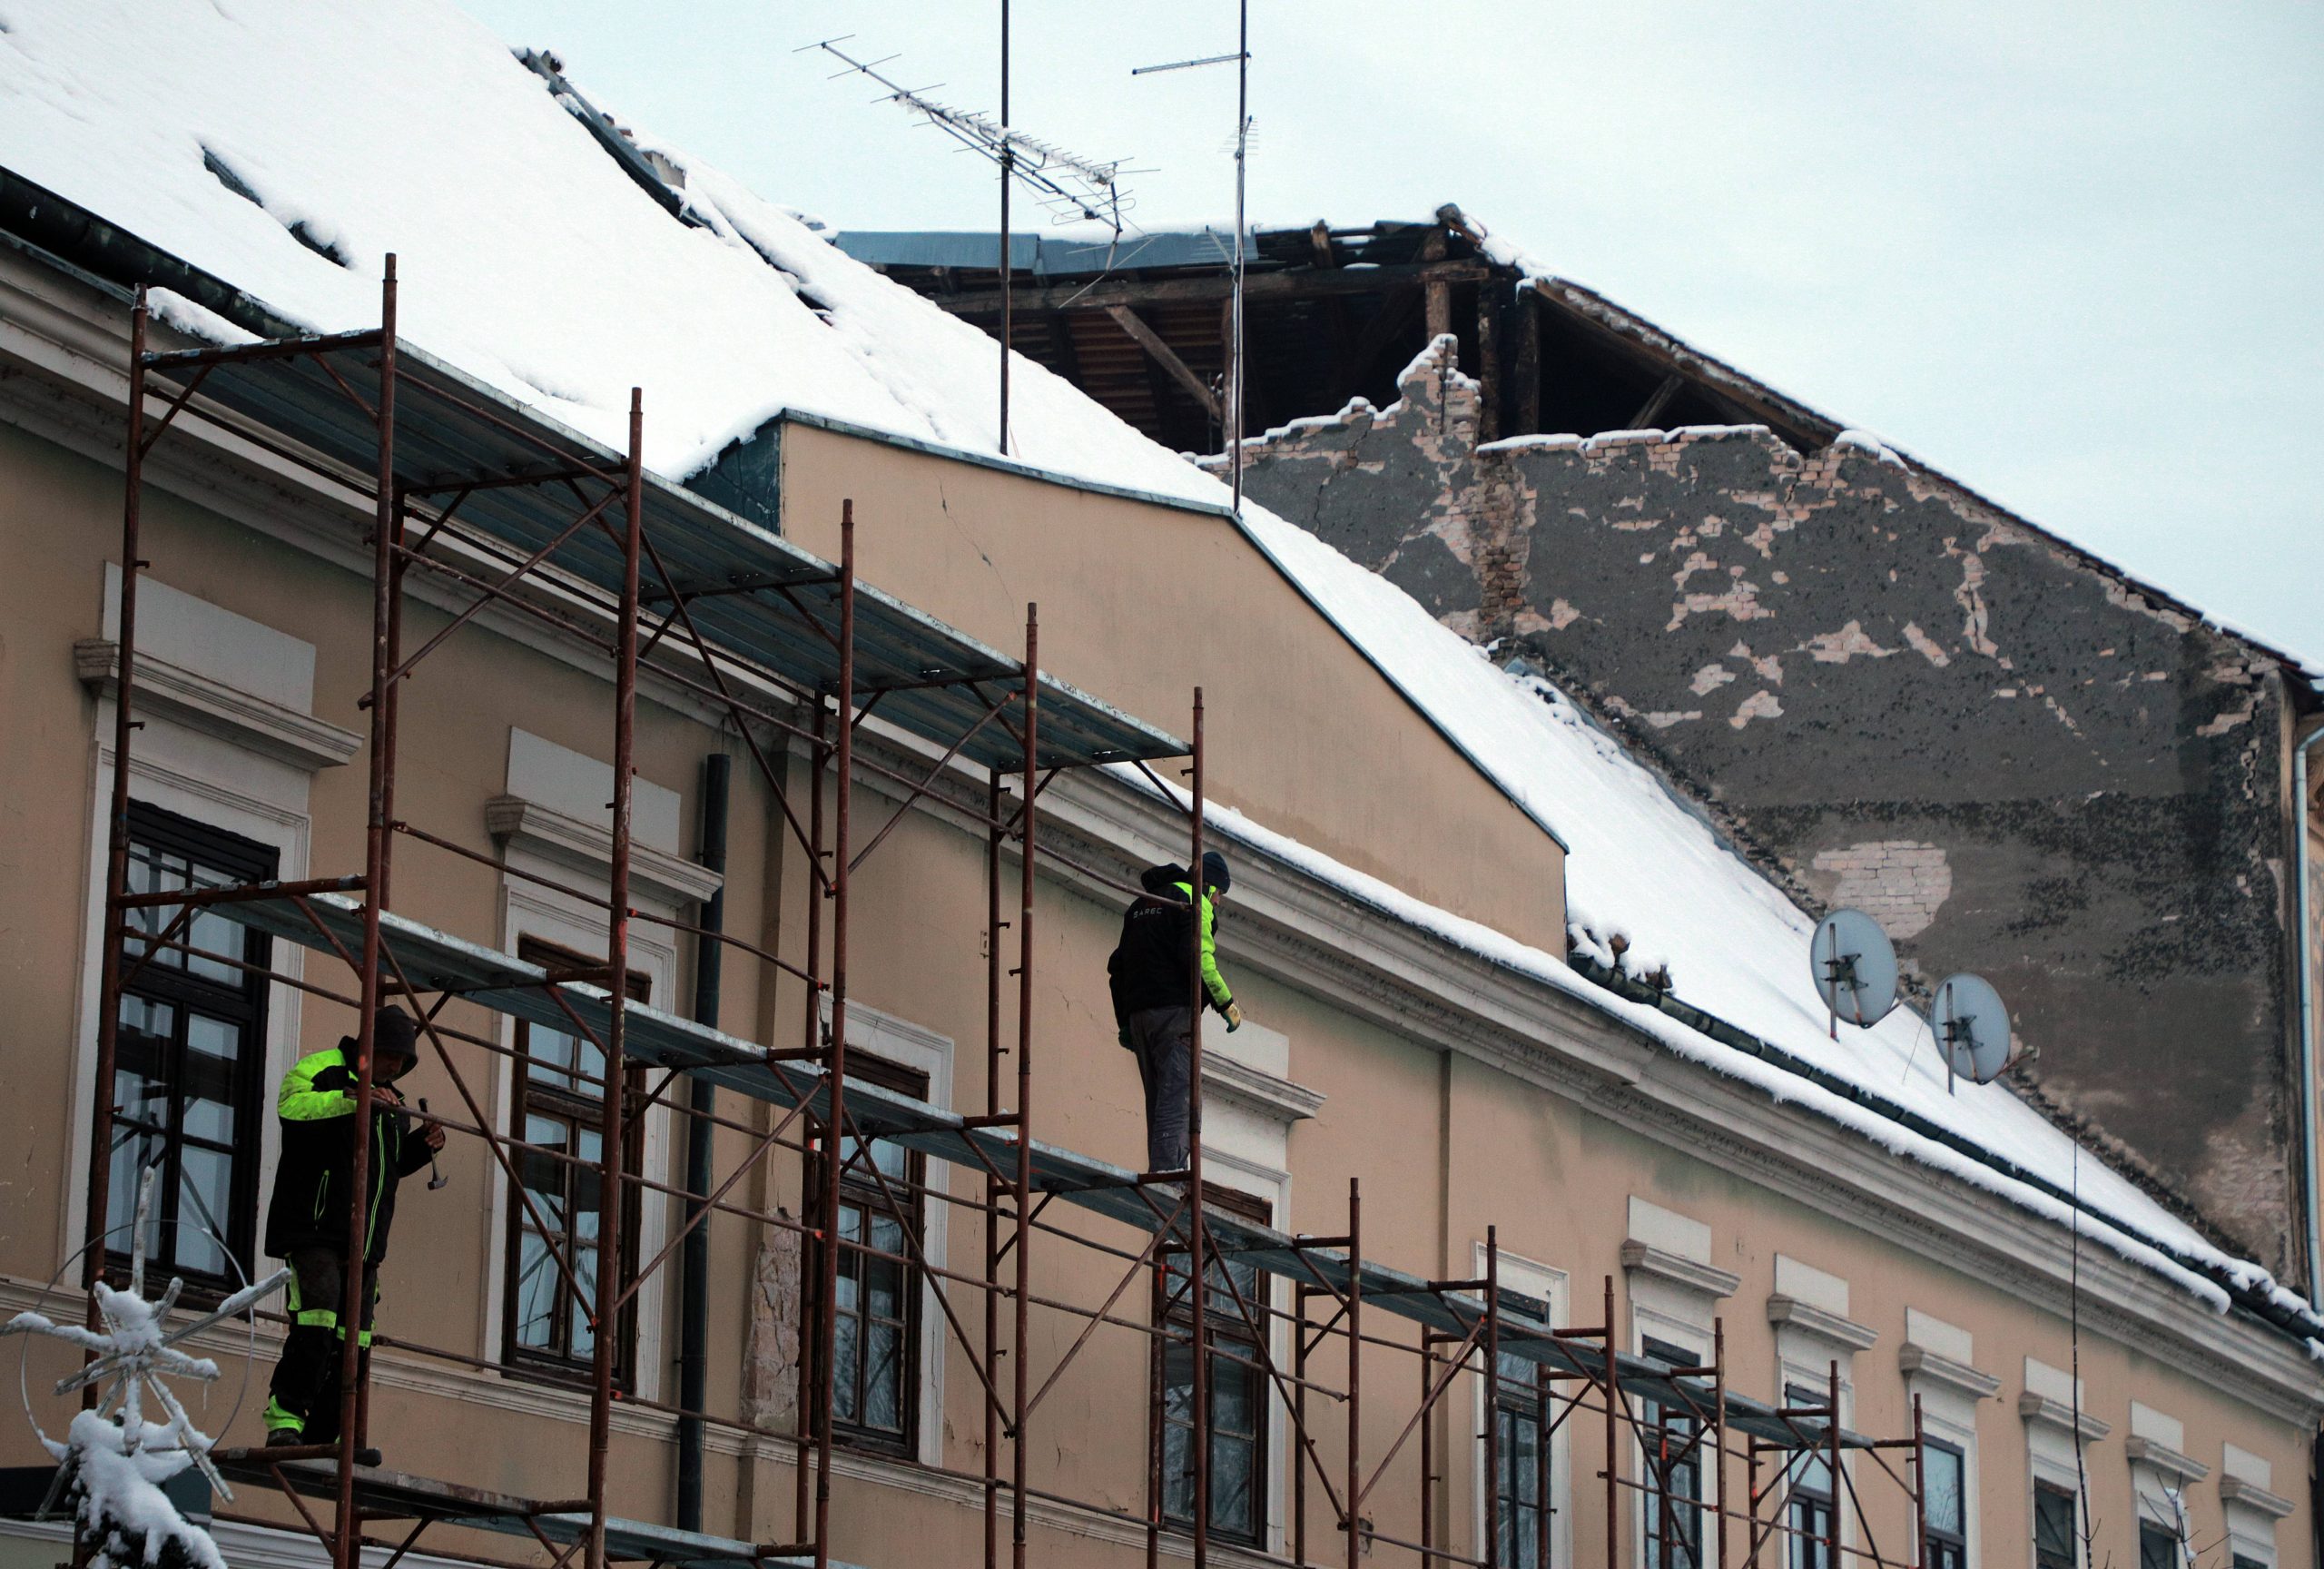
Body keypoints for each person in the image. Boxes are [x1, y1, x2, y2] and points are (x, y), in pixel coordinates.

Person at [261, 1004, 443, 1447]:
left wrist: (420, 1147)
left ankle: (327, 1436)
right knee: (316, 1324)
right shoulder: (321, 1070)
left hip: (364, 1245)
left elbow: (385, 1169)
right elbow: (292, 1107)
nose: (396, 1067)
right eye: (391, 1057)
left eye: (403, 1062)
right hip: (315, 1228)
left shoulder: (393, 1104)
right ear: (368, 1045)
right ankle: (285, 1420)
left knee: (353, 1343)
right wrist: (352, 1100)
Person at [1106, 849, 1242, 1174]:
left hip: (1140, 1018)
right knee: (1177, 1103)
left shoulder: (1140, 905)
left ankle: (1160, 1173)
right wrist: (1226, 1004)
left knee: (1157, 1101)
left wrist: (1125, 1023)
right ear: (1209, 885)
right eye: (1219, 892)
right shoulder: (1195, 903)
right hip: (1173, 1016)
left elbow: (1118, 969)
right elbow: (1199, 957)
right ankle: (1168, 1183)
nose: (1219, 901)